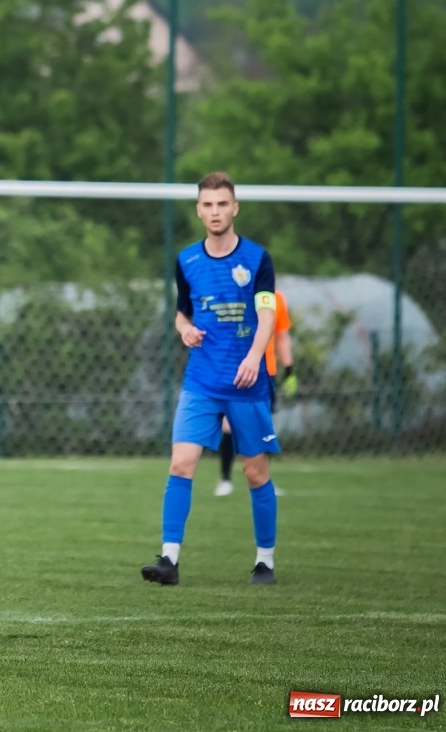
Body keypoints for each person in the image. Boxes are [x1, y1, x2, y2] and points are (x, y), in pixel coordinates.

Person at [142, 172, 281, 587]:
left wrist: (255, 357)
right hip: (201, 381)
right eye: (208, 204)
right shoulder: (186, 260)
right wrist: (184, 328)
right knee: (181, 463)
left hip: (246, 383)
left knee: (255, 473)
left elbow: (268, 314)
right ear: (199, 209)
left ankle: (265, 562)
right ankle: (168, 561)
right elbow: (182, 312)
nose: (215, 211)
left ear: (234, 208)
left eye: (222, 204)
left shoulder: (257, 259)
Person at [216, 288, 293, 497]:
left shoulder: (276, 298)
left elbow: (282, 335)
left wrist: (289, 369)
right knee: (228, 425)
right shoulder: (234, 295)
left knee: (262, 425)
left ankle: (264, 479)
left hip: (265, 372)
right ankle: (225, 479)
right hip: (234, 368)